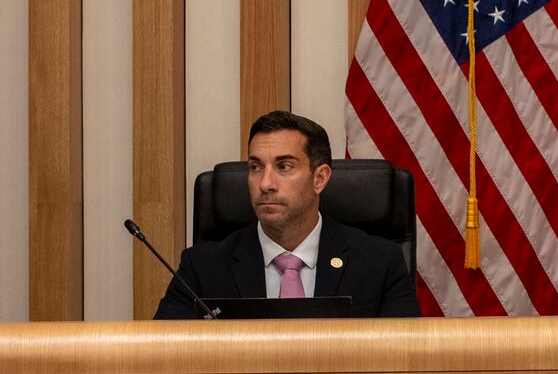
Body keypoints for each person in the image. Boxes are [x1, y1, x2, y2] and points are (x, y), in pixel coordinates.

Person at [154, 111, 419, 319]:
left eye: (284, 166)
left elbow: (408, 360)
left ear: (320, 178)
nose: (265, 183)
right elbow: (162, 356)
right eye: (256, 167)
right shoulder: (202, 268)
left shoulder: (379, 263)